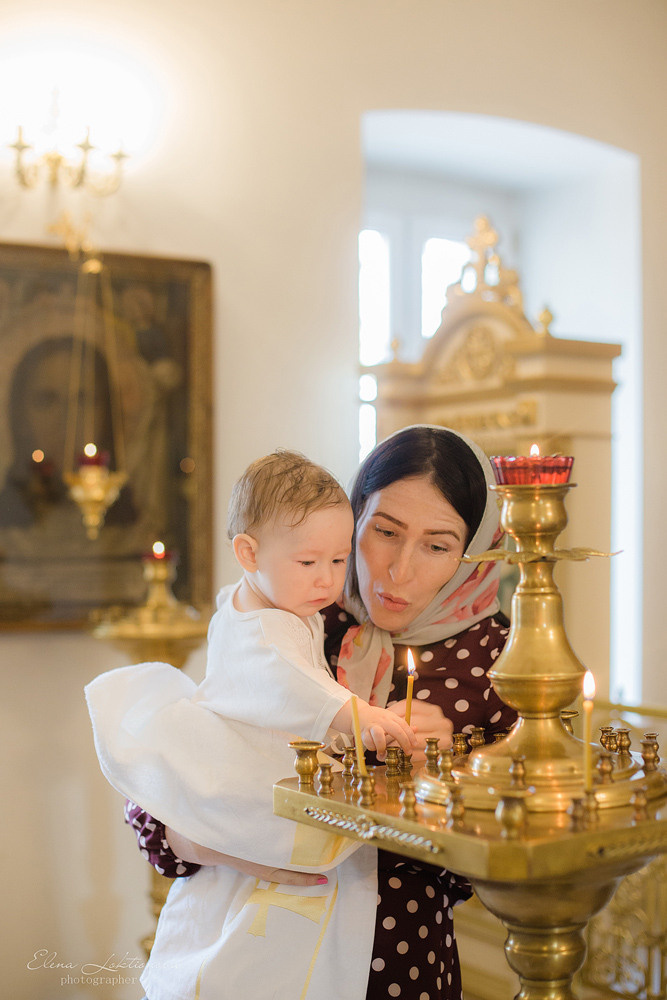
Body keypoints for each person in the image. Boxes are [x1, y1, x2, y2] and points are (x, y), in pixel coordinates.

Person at [92, 426, 516, 1000]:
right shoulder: (298, 611)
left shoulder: (498, 661)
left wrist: (453, 774)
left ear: (473, 553)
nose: (398, 570)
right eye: (384, 532)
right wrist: (216, 842)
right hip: (245, 932)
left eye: (437, 546)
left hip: (396, 956)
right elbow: (174, 775)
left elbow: (513, 858)